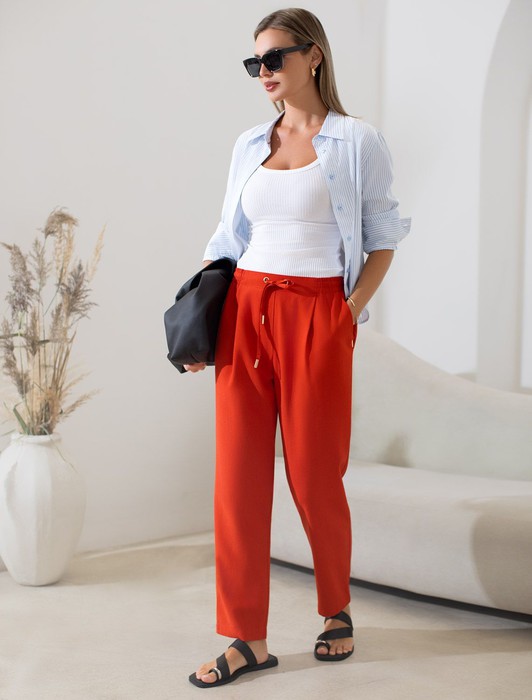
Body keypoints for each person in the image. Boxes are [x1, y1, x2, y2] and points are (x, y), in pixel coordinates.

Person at [187, 7, 411, 689]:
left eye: (274, 58)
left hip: (317, 313)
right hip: (244, 311)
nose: (263, 72)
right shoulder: (248, 144)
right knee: (237, 477)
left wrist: (347, 312)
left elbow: (384, 236)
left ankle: (335, 607)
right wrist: (199, 325)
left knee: (315, 474)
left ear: (313, 56)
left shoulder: (356, 141)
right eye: (254, 62)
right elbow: (227, 240)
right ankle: (245, 638)